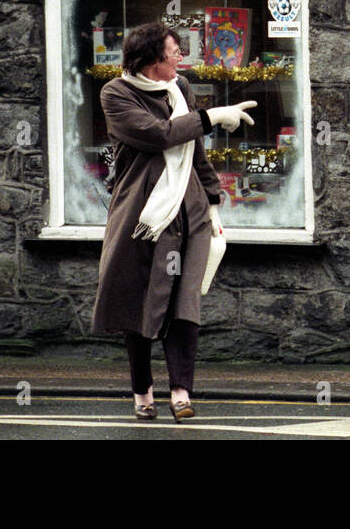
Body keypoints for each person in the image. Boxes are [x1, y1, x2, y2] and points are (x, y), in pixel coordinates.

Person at [91, 22, 257, 421]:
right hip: (142, 215)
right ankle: (142, 392)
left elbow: (193, 151)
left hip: (190, 212)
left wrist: (214, 201)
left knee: (185, 305)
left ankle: (181, 392)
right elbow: (159, 135)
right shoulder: (116, 93)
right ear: (150, 59)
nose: (181, 57)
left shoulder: (178, 88)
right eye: (173, 52)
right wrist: (213, 115)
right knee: (139, 304)